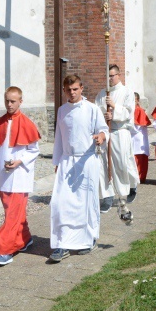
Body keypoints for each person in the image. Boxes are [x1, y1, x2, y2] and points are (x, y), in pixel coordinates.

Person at [49, 75, 109, 263]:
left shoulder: (92, 109)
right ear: (64, 90)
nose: (72, 93)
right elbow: (59, 137)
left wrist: (100, 136)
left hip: (87, 159)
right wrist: (57, 161)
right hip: (67, 160)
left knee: (86, 203)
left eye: (75, 89)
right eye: (68, 89)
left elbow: (104, 129)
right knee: (60, 203)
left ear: (82, 88)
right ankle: (62, 243)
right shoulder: (61, 111)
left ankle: (88, 239)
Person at [0, 86, 41, 266]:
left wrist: (19, 161)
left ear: (20, 101)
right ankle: (25, 239)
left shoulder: (28, 123)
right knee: (12, 212)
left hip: (20, 175)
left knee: (12, 215)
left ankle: (4, 250)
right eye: (7, 100)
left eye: (13, 101)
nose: (9, 104)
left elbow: (34, 150)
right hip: (1, 174)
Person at [95, 64, 139, 214]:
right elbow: (96, 112)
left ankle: (131, 186)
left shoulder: (127, 92)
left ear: (119, 75)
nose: (110, 79)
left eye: (112, 76)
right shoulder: (102, 93)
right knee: (104, 165)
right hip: (105, 133)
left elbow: (128, 112)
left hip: (120, 132)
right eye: (107, 76)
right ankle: (107, 197)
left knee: (123, 163)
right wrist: (104, 117)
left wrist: (114, 109)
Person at [132, 92, 151, 184]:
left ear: (138, 101)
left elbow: (139, 125)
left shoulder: (140, 111)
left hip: (139, 138)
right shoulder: (128, 110)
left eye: (134, 100)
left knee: (140, 158)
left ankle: (141, 177)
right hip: (131, 138)